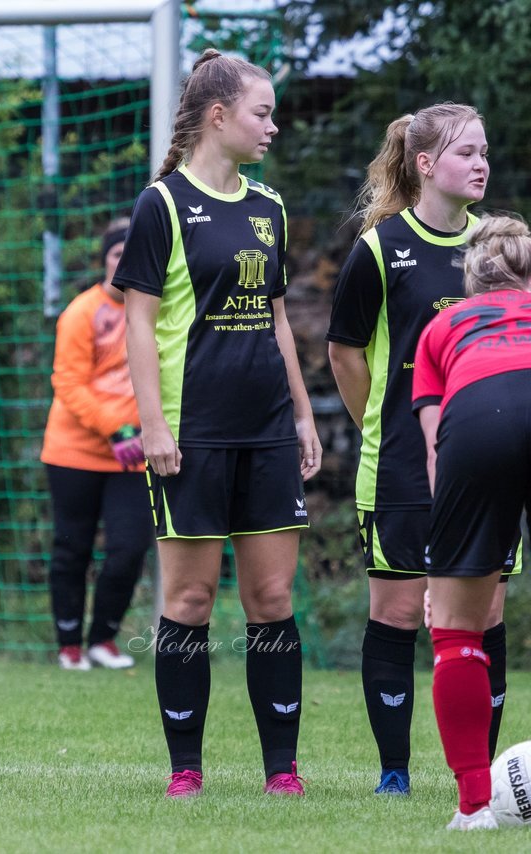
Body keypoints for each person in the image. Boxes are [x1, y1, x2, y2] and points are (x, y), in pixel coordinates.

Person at [114, 48, 321, 798]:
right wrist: (153, 425)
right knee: (190, 602)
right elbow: (139, 324)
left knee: (270, 600)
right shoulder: (161, 205)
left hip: (266, 428)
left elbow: (276, 320)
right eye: (262, 114)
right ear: (218, 116)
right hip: (189, 432)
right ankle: (186, 770)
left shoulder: (269, 207)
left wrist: (300, 413)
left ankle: (283, 773)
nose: (272, 127)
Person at [326, 104, 512, 798]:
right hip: (401, 463)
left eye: (485, 151)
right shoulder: (380, 248)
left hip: (483, 463)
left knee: (484, 615)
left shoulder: (497, 251)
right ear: (427, 164)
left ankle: (484, 777)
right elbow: (344, 351)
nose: (481, 164)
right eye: (466, 152)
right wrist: (383, 421)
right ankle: (394, 775)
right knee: (398, 614)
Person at [412, 214, 531, 830]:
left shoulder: (442, 326)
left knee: (458, 633)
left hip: (478, 417)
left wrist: (446, 574)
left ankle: (475, 808)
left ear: (471, 283)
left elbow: (437, 450)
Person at [41, 218, 152, 671]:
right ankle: (69, 645)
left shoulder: (158, 312)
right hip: (74, 453)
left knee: (129, 548)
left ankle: (102, 640)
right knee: (73, 548)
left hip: (135, 455)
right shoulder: (81, 312)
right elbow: (67, 382)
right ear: (105, 261)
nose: (123, 263)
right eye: (115, 255)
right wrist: (117, 428)